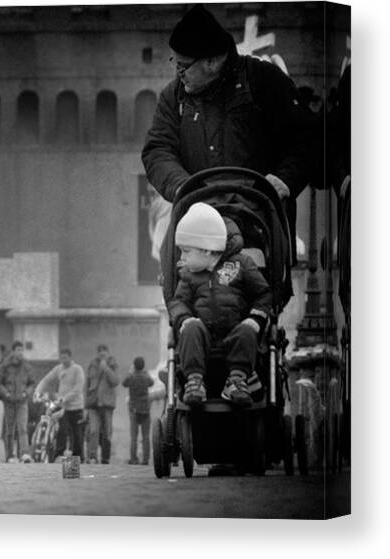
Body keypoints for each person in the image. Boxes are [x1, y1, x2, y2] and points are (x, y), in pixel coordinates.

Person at [141, 4, 316, 258]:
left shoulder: (264, 81)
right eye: (175, 63)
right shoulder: (173, 96)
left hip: (259, 229)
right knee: (194, 290)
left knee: (255, 291)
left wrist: (284, 181)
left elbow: (307, 138)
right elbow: (158, 149)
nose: (178, 74)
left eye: (183, 66)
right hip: (197, 231)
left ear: (212, 61)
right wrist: (182, 187)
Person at [168, 202, 271, 406]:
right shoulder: (189, 275)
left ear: (207, 250)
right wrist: (185, 319)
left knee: (247, 331)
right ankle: (195, 381)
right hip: (203, 337)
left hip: (235, 333)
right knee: (191, 328)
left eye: (186, 251)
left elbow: (263, 293)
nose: (182, 258)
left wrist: (255, 319)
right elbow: (178, 301)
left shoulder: (241, 264)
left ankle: (237, 380)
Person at [34, 348, 85, 463]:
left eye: (65, 357)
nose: (63, 360)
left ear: (70, 357)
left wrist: (65, 398)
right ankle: (58, 456)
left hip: (76, 408)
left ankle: (79, 459)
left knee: (77, 435)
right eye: (61, 357)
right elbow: (46, 380)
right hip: (63, 408)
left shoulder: (77, 369)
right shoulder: (59, 369)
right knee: (62, 431)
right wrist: (37, 392)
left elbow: (78, 388)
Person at [0, 341, 35, 463]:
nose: (20, 352)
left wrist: (26, 393)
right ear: (13, 351)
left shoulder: (27, 366)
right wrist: (6, 393)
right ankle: (10, 455)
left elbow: (32, 383)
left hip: (22, 401)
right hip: (9, 401)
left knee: (22, 428)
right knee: (10, 430)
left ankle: (24, 454)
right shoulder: (5, 366)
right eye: (18, 350)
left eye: (21, 350)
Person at [85, 344, 119, 464]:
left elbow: (115, 381)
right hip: (93, 405)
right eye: (100, 351)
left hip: (107, 405)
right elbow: (87, 385)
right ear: (97, 353)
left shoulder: (112, 365)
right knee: (93, 431)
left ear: (108, 352)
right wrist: (85, 404)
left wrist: (106, 369)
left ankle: (105, 458)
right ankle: (92, 456)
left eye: (104, 351)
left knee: (107, 433)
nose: (102, 353)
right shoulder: (92, 365)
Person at [122, 357, 154, 465]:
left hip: (134, 409)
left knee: (134, 436)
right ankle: (145, 459)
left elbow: (124, 383)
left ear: (134, 365)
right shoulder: (146, 377)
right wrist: (145, 372)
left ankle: (134, 458)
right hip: (145, 409)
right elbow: (152, 383)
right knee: (146, 437)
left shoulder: (131, 377)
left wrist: (131, 372)